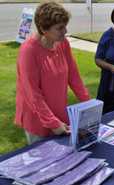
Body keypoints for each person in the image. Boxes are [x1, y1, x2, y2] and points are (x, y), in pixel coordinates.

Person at [15, 2, 90, 144]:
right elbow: (32, 94)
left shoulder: (63, 43)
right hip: (37, 119)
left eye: (65, 26)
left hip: (60, 113)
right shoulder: (28, 51)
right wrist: (52, 123)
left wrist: (89, 105)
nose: (65, 31)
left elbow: (74, 76)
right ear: (44, 29)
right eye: (60, 28)